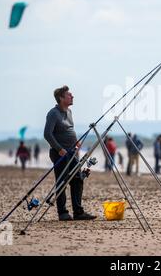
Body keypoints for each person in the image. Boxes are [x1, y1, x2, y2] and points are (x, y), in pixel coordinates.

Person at [44, 85, 96, 221]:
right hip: (59, 154)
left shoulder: (69, 112)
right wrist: (59, 148)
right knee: (62, 182)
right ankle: (62, 213)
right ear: (61, 98)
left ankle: (78, 212)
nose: (72, 97)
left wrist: (76, 141)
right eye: (69, 95)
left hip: (73, 153)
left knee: (77, 180)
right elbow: (47, 134)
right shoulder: (53, 113)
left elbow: (69, 130)